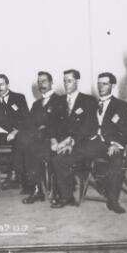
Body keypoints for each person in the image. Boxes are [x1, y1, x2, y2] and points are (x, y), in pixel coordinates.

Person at [52, 73, 127, 213]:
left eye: (105, 84)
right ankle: (67, 197)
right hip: (91, 144)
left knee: (117, 161)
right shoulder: (92, 104)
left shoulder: (120, 105)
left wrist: (116, 144)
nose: (101, 87)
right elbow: (84, 128)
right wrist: (72, 141)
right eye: (99, 83)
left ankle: (113, 201)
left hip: (110, 145)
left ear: (113, 85)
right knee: (59, 159)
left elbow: (126, 131)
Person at [49, 69, 97, 208]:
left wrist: (70, 140)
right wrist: (53, 140)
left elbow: (89, 126)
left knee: (59, 160)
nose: (66, 84)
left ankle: (66, 197)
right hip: (60, 143)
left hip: (80, 144)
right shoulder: (58, 100)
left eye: (69, 81)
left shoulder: (88, 101)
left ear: (77, 81)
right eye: (64, 81)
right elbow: (51, 123)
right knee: (47, 153)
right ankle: (59, 191)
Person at [13, 72, 63, 204]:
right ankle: (36, 189)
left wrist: (43, 128)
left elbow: (60, 124)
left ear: (51, 82)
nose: (41, 85)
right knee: (27, 145)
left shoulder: (60, 101)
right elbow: (29, 123)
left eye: (44, 81)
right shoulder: (36, 104)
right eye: (39, 82)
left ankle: (28, 183)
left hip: (54, 141)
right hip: (37, 140)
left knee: (30, 147)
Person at [0, 74, 30, 186]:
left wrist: (15, 131)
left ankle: (13, 174)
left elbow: (26, 119)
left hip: (16, 133)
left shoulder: (19, 98)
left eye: (1, 84)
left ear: (7, 84)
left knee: (20, 140)